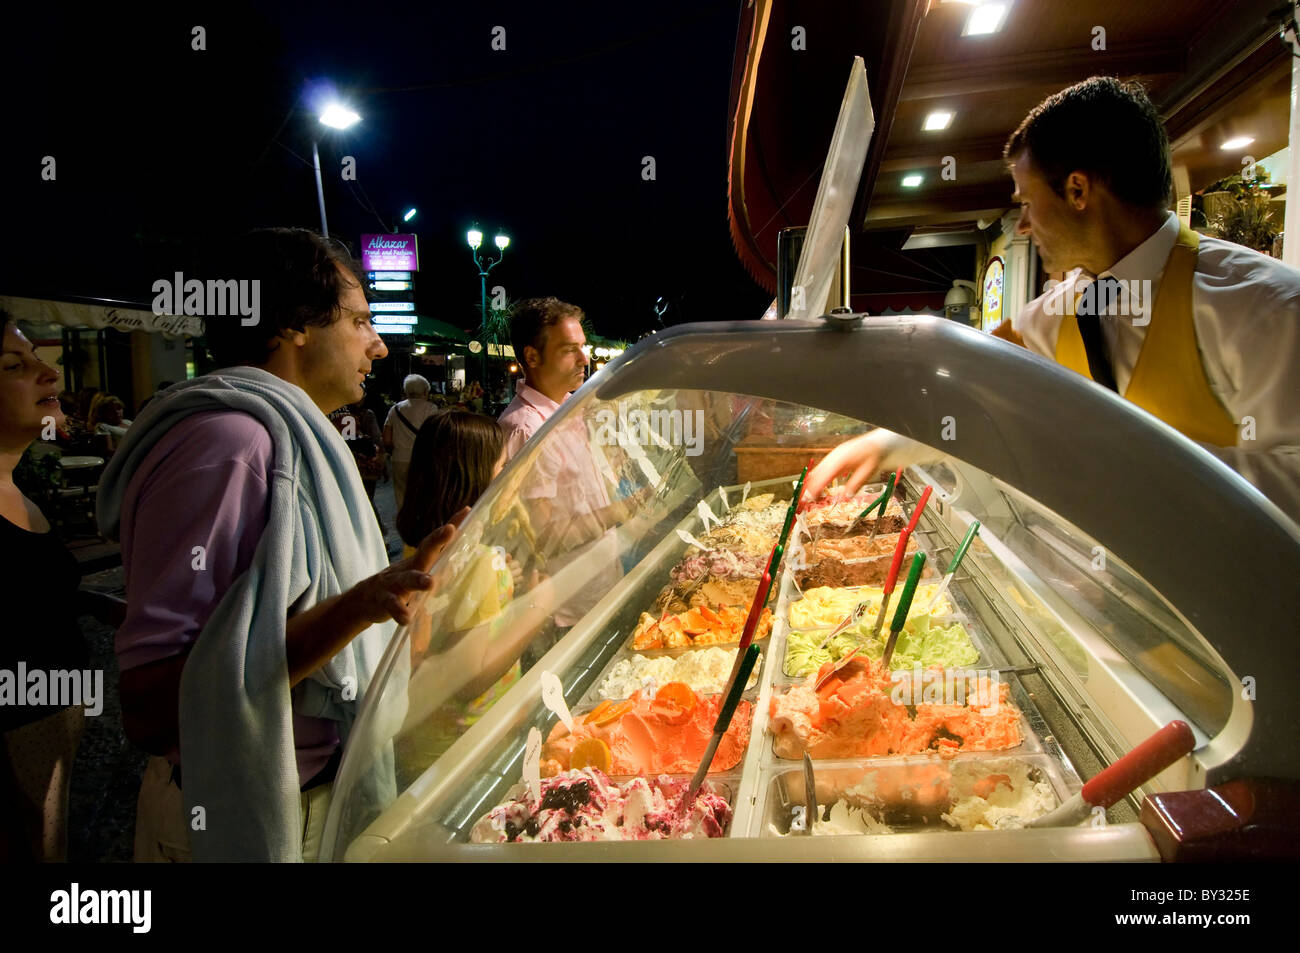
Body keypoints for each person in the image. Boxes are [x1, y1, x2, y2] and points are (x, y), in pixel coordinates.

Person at [95, 228, 463, 862]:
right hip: (241, 814)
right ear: (294, 326)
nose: (377, 346)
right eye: (358, 321)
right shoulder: (230, 445)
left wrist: (397, 608)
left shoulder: (287, 437)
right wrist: (358, 608)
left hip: (312, 795)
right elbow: (152, 706)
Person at [806, 76, 1300, 527]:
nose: (1022, 226)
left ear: (1078, 190)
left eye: (1025, 202)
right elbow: (980, 388)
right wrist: (884, 444)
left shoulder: (1264, 306)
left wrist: (1112, 464)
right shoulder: (1059, 310)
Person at [0, 309, 123, 861]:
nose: (48, 375)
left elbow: (29, 591)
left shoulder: (20, 484)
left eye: (38, 359)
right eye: (13, 366)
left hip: (52, 720)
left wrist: (104, 605)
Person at [498, 298, 643, 667]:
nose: (584, 359)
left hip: (598, 589)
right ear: (532, 357)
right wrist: (621, 511)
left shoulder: (568, 409)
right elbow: (542, 536)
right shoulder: (526, 428)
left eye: (583, 348)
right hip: (564, 611)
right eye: (569, 350)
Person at [391, 411, 534, 773]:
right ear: (474, 484)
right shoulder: (481, 562)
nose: (510, 478)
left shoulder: (420, 549)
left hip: (422, 742)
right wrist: (536, 608)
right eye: (502, 468)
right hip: (471, 746)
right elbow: (471, 676)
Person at [382, 374, 439, 509]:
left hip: (400, 458)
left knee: (402, 494)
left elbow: (386, 438)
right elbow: (436, 435)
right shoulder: (431, 409)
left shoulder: (395, 409)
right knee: (422, 494)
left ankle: (404, 523)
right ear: (425, 391)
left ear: (406, 391)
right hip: (423, 459)